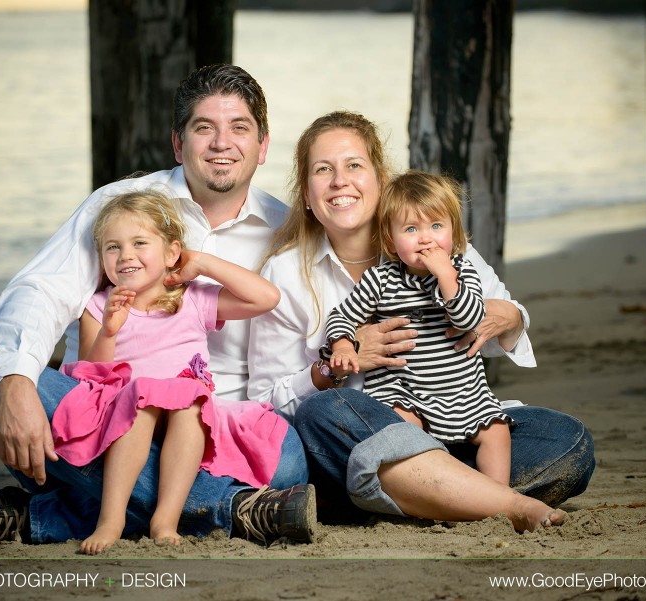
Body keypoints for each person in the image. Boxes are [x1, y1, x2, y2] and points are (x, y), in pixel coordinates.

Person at [0, 64, 314, 547]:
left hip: (215, 428)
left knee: (289, 462)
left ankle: (41, 517)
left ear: (262, 146)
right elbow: (39, 291)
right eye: (204, 128)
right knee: (16, 390)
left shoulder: (287, 232)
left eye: (239, 128)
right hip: (110, 417)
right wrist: (16, 379)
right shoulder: (121, 208)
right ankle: (229, 508)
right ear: (178, 143)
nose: (221, 143)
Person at [248, 111, 594, 531]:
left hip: (451, 424)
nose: (340, 181)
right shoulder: (284, 273)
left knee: (568, 440)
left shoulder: (430, 241)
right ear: (306, 193)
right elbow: (264, 403)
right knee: (325, 411)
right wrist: (332, 368)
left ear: (380, 178)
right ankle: (495, 503)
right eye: (324, 170)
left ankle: (423, 497)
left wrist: (511, 316)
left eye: (354, 165)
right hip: (353, 437)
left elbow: (503, 313)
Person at [52, 190, 302, 553]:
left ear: (171, 252)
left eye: (139, 243)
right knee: (139, 402)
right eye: (113, 247)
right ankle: (111, 518)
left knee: (191, 403)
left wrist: (201, 261)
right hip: (127, 418)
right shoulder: (100, 306)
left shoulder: (191, 298)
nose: (126, 256)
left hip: (188, 421)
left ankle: (164, 519)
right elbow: (93, 377)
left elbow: (265, 298)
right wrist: (110, 329)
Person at [324, 171, 511, 485]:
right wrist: (343, 345)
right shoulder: (380, 281)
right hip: (404, 392)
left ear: (455, 233)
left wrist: (446, 277)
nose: (426, 238)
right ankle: (429, 484)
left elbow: (468, 319)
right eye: (411, 229)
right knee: (401, 431)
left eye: (437, 226)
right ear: (390, 241)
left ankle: (498, 499)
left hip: (465, 393)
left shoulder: (462, 271)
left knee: (498, 432)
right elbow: (340, 316)